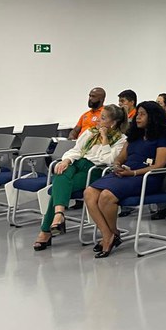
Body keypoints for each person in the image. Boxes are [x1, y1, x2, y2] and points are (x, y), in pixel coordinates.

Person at [83, 101, 166, 258]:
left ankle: (110, 236)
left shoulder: (163, 137)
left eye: (142, 114)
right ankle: (109, 234)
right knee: (89, 192)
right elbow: (120, 158)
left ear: (153, 117)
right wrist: (117, 165)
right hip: (124, 174)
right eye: (137, 114)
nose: (137, 117)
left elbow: (158, 166)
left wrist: (132, 173)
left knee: (106, 196)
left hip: (146, 177)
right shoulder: (134, 136)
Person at [34, 104, 128, 251]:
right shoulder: (90, 133)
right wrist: (66, 160)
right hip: (76, 164)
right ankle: (58, 216)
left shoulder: (121, 140)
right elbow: (76, 150)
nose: (98, 121)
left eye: (103, 118)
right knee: (61, 172)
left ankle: (47, 229)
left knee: (58, 189)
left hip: (94, 171)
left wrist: (104, 138)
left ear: (113, 123)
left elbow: (108, 160)